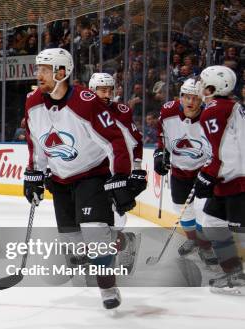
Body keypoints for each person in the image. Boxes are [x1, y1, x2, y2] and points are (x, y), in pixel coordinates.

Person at [24, 48, 135, 310]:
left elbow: (115, 141)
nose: (38, 73)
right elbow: (36, 143)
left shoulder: (86, 102)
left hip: (91, 176)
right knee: (74, 246)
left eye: (44, 69)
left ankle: (107, 286)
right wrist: (34, 174)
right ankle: (113, 248)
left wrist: (121, 178)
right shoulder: (33, 102)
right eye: (38, 67)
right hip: (60, 180)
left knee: (95, 236)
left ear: (61, 73)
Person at [154, 78, 216, 266]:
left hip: (205, 172)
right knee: (183, 210)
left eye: (195, 98)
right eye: (186, 97)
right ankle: (193, 240)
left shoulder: (211, 116)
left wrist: (210, 170)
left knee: (204, 214)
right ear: (180, 97)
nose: (190, 102)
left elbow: (220, 146)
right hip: (179, 170)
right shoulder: (167, 111)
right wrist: (160, 154)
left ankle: (205, 246)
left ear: (202, 99)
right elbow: (161, 136)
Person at [194, 65, 244, 294]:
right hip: (227, 180)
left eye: (204, 82)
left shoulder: (215, 110)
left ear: (214, 86)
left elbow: (222, 150)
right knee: (212, 224)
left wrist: (209, 174)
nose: (200, 85)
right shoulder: (229, 106)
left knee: (240, 231)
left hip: (236, 180)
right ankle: (234, 273)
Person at [89, 72, 146, 272]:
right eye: (101, 90)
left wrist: (137, 168)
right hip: (90, 171)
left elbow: (136, 140)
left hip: (115, 171)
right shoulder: (81, 111)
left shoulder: (121, 111)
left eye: (109, 90)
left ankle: (124, 243)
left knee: (115, 217)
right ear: (91, 91)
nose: (106, 94)